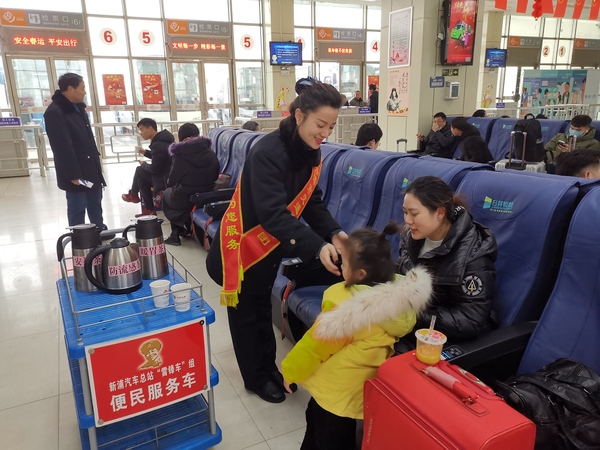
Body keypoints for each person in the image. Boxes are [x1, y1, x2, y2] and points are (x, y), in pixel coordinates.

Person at [206, 77, 348, 404]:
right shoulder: (267, 152)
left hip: (269, 248)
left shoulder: (310, 151)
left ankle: (269, 368)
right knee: (246, 316)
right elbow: (273, 214)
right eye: (320, 125)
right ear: (299, 116)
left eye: (330, 126)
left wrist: (334, 232)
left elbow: (311, 201)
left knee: (260, 309)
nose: (325, 134)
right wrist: (319, 246)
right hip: (241, 249)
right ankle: (255, 378)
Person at [281, 224, 432, 450]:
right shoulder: (399, 303)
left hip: (333, 393)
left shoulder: (347, 309)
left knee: (322, 434)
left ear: (360, 274)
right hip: (356, 392)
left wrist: (289, 372)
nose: (341, 265)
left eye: (344, 262)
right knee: (339, 435)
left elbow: (313, 347)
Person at [396, 176, 497, 350]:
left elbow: (470, 320)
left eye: (414, 214)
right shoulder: (411, 236)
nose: (407, 220)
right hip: (409, 324)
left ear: (440, 213)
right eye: (405, 212)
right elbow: (401, 272)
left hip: (440, 339)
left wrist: (414, 313)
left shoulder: (473, 255)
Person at [44, 73, 110, 233]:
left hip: (90, 168)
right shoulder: (55, 112)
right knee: (78, 204)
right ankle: (79, 236)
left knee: (95, 200)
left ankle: (98, 229)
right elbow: (61, 147)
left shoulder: (78, 108)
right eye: (82, 88)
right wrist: (73, 175)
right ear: (70, 89)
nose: (85, 92)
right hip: (77, 173)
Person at [162, 123, 219, 246]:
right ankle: (183, 225)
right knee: (174, 195)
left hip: (184, 197)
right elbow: (215, 175)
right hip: (207, 195)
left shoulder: (180, 154)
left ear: (181, 137)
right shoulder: (209, 151)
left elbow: (172, 180)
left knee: (166, 195)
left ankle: (175, 233)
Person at [122, 118, 175, 216]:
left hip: (164, 180)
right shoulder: (164, 140)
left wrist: (144, 164)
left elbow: (155, 169)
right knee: (141, 180)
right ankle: (149, 209)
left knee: (139, 170)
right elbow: (160, 157)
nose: (141, 133)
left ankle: (133, 194)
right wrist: (145, 153)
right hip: (168, 175)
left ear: (150, 128)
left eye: (141, 129)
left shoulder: (158, 144)